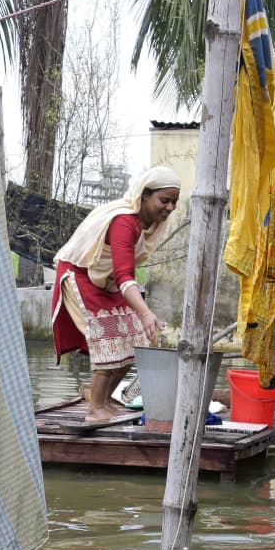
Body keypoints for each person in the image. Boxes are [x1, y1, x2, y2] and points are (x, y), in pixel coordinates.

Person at [50, 166, 182, 422]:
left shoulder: (147, 224)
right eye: (164, 200)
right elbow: (124, 275)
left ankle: (104, 399)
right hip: (81, 275)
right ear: (144, 195)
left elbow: (121, 275)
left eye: (174, 202)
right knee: (108, 337)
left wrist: (143, 317)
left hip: (106, 280)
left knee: (138, 337)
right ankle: (95, 409)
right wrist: (144, 311)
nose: (169, 208)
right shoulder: (125, 222)